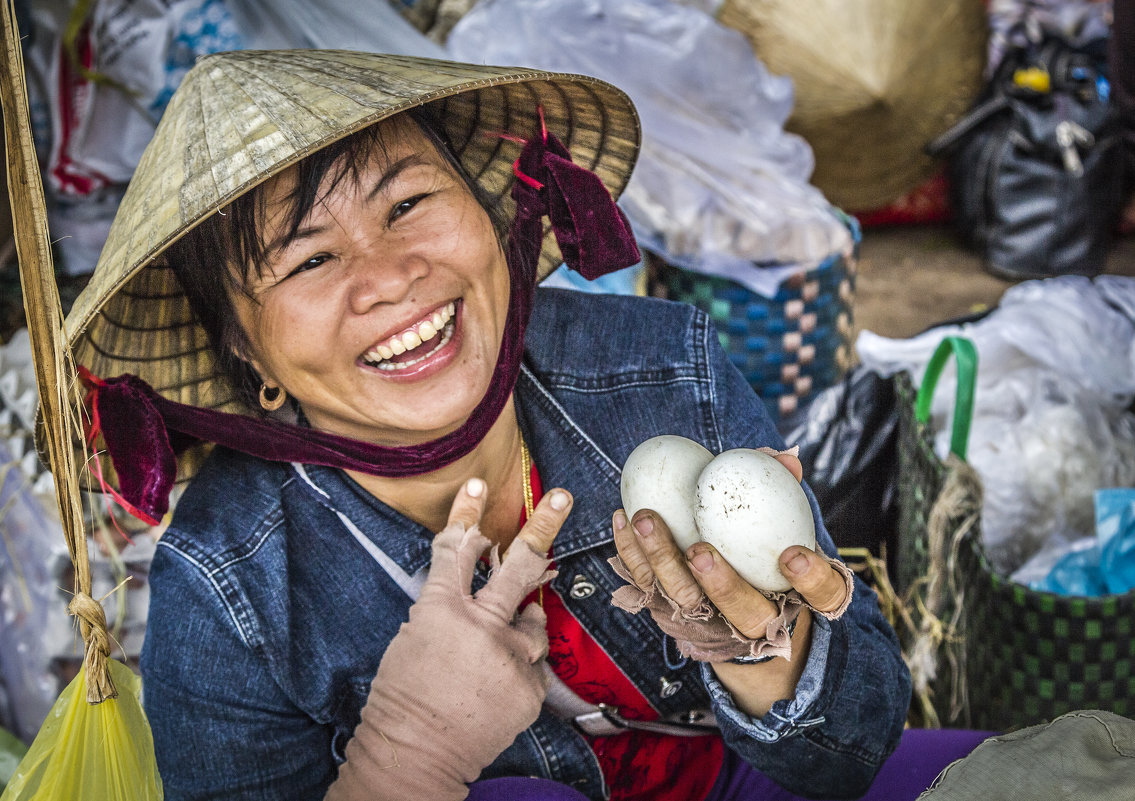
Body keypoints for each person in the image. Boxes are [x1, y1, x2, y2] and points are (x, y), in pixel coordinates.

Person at [67, 50, 918, 801]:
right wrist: (407, 753)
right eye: (311, 259)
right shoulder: (228, 588)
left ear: (493, 218)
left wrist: (766, 648)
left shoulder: (664, 370)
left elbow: (850, 755)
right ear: (248, 357)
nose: (392, 279)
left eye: (406, 204)